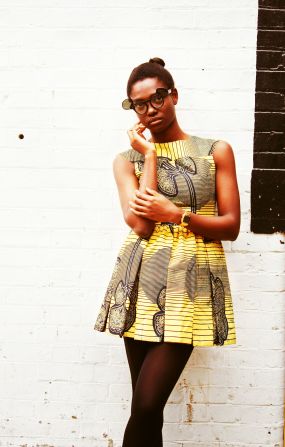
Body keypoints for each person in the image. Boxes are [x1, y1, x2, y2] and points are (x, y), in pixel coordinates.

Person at [94, 57, 240, 447]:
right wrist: (153, 158)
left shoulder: (216, 150)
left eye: (157, 98)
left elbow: (231, 226)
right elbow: (141, 224)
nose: (149, 109)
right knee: (147, 409)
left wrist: (177, 215)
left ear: (173, 95)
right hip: (141, 278)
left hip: (190, 285)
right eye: (138, 104)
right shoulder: (127, 161)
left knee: (144, 405)